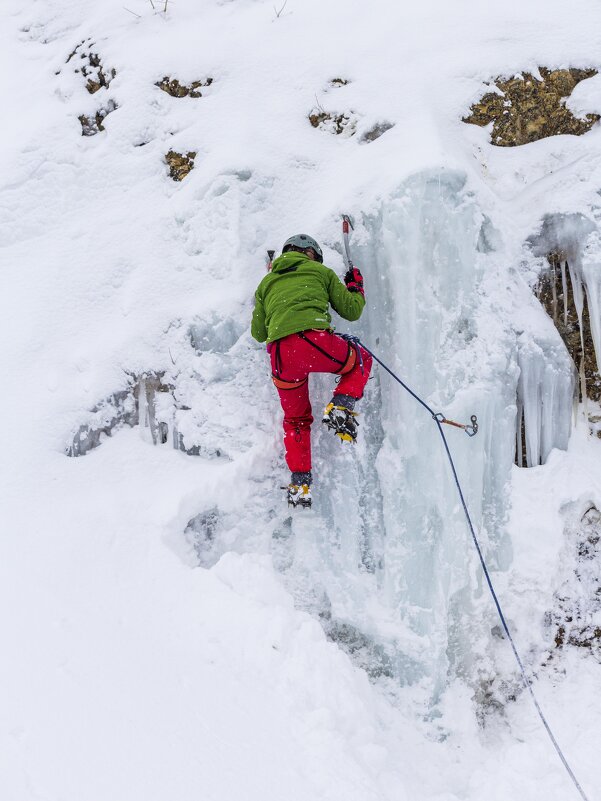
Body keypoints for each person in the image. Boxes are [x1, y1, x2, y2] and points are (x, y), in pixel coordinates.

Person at [251, 233, 372, 508]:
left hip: (281, 357)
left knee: (296, 420)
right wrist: (355, 287)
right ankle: (341, 404)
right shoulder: (321, 272)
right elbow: (351, 311)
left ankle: (300, 482)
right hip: (313, 341)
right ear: (312, 254)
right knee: (361, 358)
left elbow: (258, 333)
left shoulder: (266, 283)